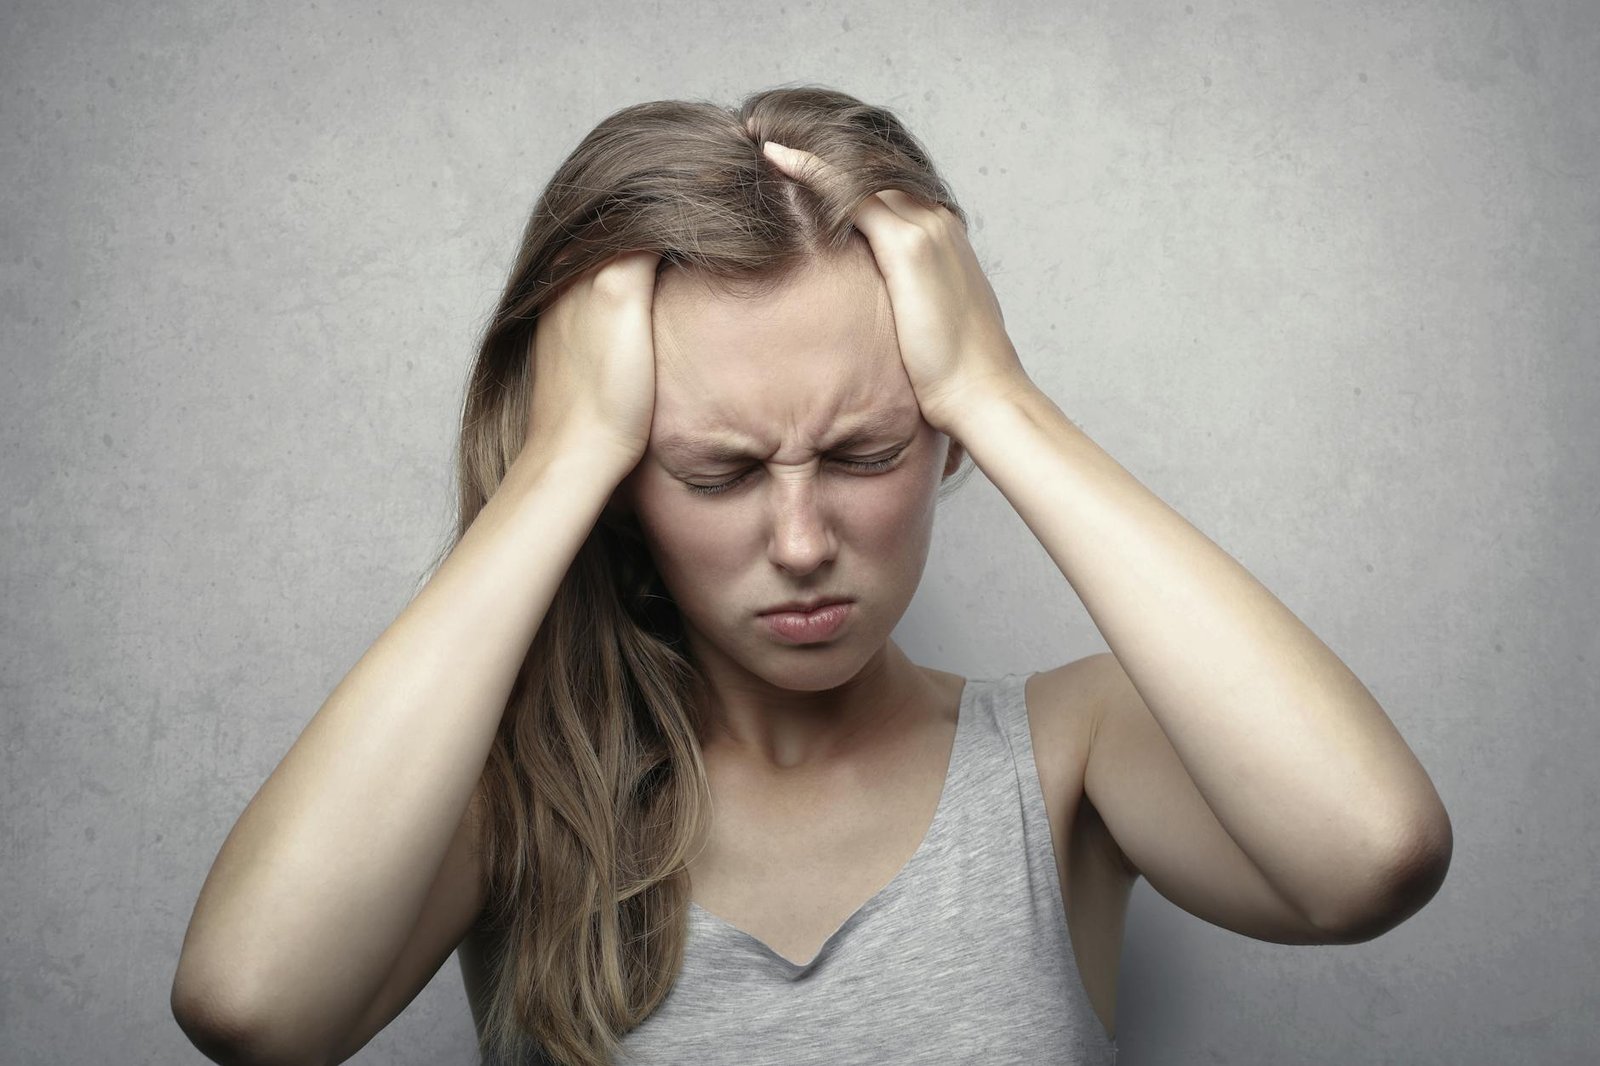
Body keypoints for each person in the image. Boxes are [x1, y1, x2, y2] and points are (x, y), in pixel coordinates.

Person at [170, 86, 1453, 1066]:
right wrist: (561, 461)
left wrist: (997, 394)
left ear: (941, 437)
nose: (799, 540)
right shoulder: (516, 803)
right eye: (717, 471)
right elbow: (251, 1007)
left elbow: (1371, 852)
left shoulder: (1073, 756)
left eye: (863, 451)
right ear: (625, 488)